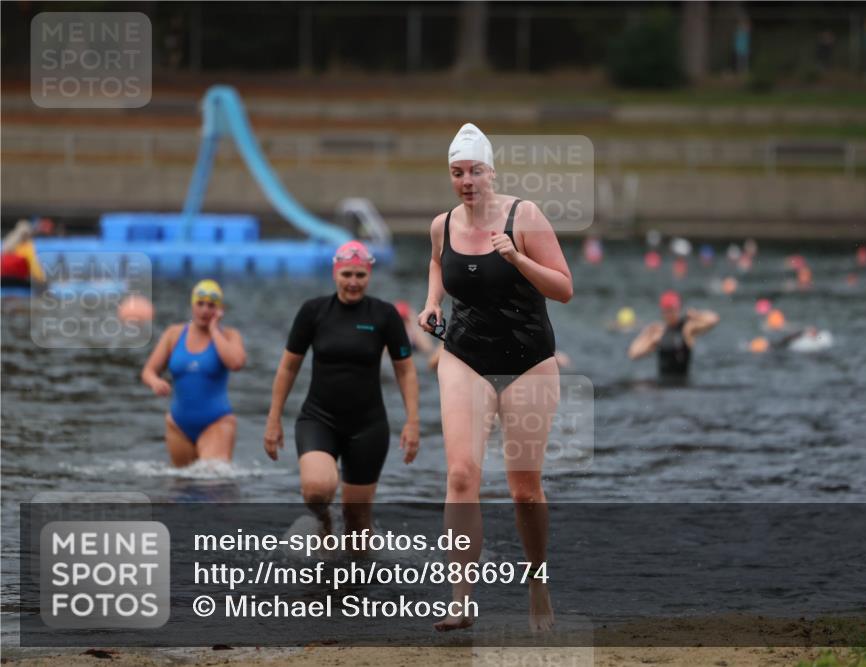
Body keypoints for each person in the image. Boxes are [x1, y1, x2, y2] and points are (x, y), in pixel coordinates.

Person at [418, 123, 572, 632]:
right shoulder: (442, 223)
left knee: (524, 490)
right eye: (458, 173)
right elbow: (440, 263)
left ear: (491, 172)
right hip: (464, 355)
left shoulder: (523, 215)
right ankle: (460, 599)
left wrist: (516, 257)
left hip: (528, 358)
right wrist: (432, 303)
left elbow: (564, 289)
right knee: (461, 473)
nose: (467, 181)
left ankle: (537, 583)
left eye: (475, 171)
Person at [264, 241, 420, 536]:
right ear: (335, 273)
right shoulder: (313, 311)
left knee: (358, 526)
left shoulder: (384, 315)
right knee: (316, 490)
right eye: (346, 274)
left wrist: (412, 422)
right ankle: (323, 523)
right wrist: (274, 418)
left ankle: (357, 579)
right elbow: (288, 367)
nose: (353, 282)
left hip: (368, 426)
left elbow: (406, 370)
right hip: (318, 419)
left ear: (369, 276)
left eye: (360, 275)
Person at [141, 280, 245, 466]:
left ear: (219, 309)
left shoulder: (229, 335)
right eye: (200, 304)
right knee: (182, 486)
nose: (205, 310)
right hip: (178, 426)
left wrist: (214, 330)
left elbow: (236, 363)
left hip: (216, 423)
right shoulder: (173, 334)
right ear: (192, 305)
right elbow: (148, 371)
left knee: (213, 484)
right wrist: (155, 382)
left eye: (211, 305)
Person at [627, 291, 719, 378]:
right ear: (663, 312)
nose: (671, 314)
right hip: (663, 384)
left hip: (683, 384)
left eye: (673, 310)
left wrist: (696, 315)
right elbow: (633, 353)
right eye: (667, 311)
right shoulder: (659, 332)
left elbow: (714, 319)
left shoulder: (686, 329)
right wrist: (647, 334)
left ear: (678, 309)